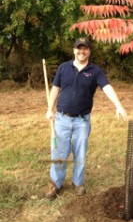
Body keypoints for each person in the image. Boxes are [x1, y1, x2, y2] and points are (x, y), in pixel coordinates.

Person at [44, 37, 128, 200]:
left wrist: (118, 105)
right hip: (61, 119)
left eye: (85, 48)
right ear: (74, 50)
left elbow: (107, 87)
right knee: (58, 153)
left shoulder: (95, 71)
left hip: (82, 121)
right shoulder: (63, 68)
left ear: (89, 51)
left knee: (80, 153)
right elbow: (55, 89)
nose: (82, 51)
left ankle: (78, 183)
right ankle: (56, 184)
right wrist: (49, 109)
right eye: (79, 48)